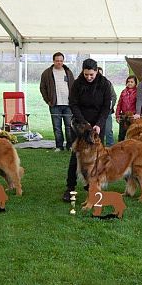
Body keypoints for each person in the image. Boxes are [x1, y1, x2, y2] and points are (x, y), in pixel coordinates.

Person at [62, 58, 112, 202]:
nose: (89, 77)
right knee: (76, 157)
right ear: (83, 72)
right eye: (86, 74)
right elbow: (73, 104)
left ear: (96, 71)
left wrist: (99, 123)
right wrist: (84, 122)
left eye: (91, 74)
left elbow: (106, 107)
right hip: (80, 126)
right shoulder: (77, 84)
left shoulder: (104, 84)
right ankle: (70, 187)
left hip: (97, 126)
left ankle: (92, 184)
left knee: (96, 158)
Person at [40, 52, 75, 152]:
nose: (59, 62)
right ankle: (59, 146)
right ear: (53, 61)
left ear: (63, 61)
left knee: (69, 126)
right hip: (54, 104)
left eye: (61, 61)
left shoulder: (68, 72)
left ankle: (70, 145)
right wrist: (48, 100)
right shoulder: (47, 73)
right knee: (57, 127)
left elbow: (74, 87)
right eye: (57, 61)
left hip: (68, 104)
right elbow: (42, 88)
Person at [115, 75, 138, 141]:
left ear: (135, 83)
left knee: (132, 135)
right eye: (128, 81)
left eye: (132, 82)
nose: (130, 83)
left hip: (132, 117)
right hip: (123, 116)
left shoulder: (137, 92)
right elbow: (119, 104)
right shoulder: (123, 92)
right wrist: (117, 115)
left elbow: (140, 105)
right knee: (122, 135)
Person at [98, 67, 117, 147]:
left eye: (100, 74)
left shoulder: (107, 83)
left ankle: (110, 146)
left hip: (107, 112)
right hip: (95, 112)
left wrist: (109, 107)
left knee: (108, 130)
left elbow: (114, 96)